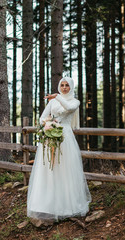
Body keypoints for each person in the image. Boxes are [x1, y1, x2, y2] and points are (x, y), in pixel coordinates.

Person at [27, 77, 91, 222]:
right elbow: (42, 118)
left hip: (66, 138)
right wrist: (49, 124)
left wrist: (57, 97)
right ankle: (46, 204)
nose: (64, 87)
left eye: (67, 85)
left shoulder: (75, 101)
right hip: (50, 137)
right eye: (61, 85)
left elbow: (69, 108)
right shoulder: (52, 102)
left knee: (65, 170)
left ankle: (66, 206)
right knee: (49, 170)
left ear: (71, 87)